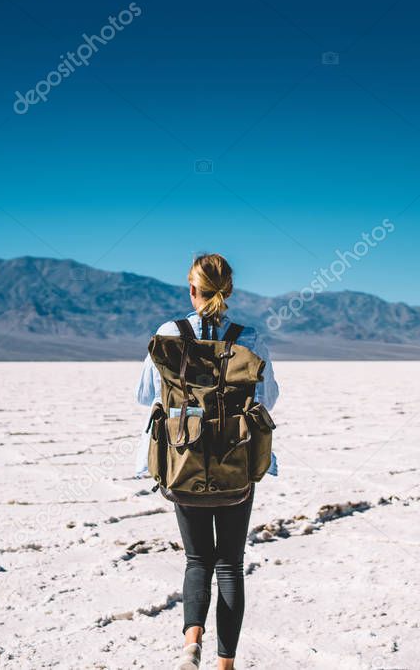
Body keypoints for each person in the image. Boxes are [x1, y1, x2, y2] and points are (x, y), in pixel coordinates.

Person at [135, 253, 279, 670]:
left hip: (183, 461)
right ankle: (225, 666)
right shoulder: (249, 337)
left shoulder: (168, 333)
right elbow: (268, 399)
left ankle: (190, 645)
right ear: (229, 291)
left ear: (192, 289)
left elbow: (146, 395)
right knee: (230, 565)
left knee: (198, 560)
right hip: (237, 465)